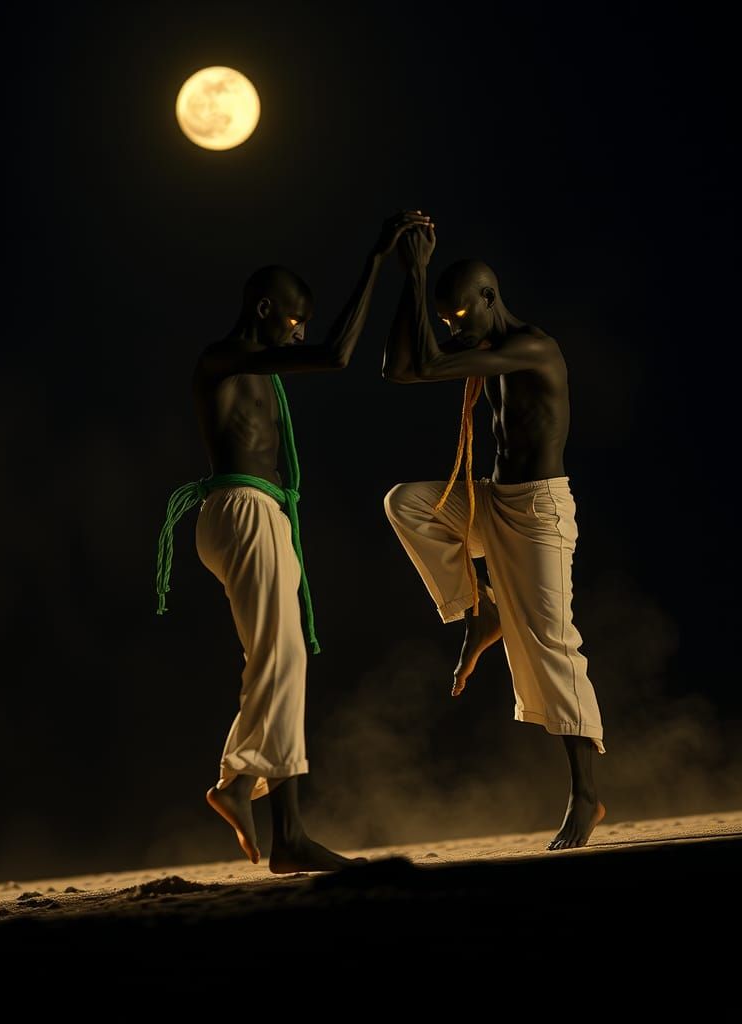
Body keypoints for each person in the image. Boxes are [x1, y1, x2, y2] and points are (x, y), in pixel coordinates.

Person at [155, 211, 429, 873]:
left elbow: (322, 351)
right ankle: (273, 821)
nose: (299, 330)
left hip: (260, 514)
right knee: (277, 658)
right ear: (266, 308)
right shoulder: (223, 357)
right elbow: (334, 354)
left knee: (281, 659)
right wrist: (375, 259)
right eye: (294, 319)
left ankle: (253, 799)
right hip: (240, 509)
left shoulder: (258, 363)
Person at [382, 217, 606, 850]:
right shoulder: (480, 346)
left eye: (461, 315)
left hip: (538, 512)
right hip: (493, 503)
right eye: (447, 321)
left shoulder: (534, 348)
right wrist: (413, 283)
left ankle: (586, 796)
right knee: (409, 504)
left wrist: (419, 271)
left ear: (490, 298)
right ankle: (479, 612)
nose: (455, 329)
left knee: (550, 645)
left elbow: (422, 362)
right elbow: (400, 368)